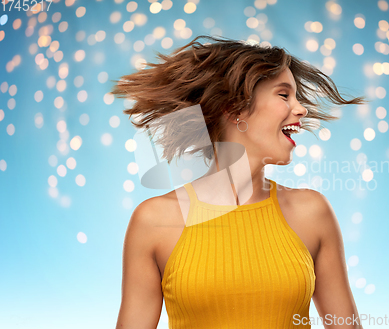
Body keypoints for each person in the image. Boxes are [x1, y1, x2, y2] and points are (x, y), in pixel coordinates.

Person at [112, 34, 366, 328]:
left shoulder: (311, 213)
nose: (301, 109)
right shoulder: (154, 221)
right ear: (235, 109)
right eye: (284, 95)